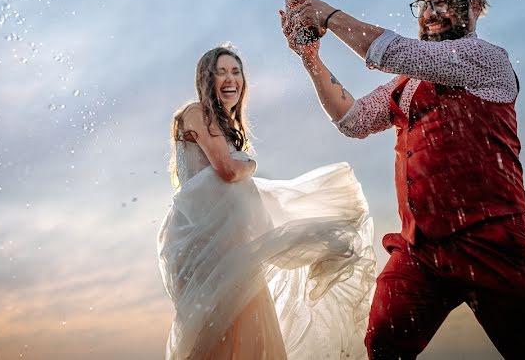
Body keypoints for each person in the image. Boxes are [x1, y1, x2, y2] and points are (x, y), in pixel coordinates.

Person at [281, 0, 525, 360]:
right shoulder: (409, 82)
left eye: (442, 3)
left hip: (491, 244)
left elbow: (393, 51)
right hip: (421, 248)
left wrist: (328, 16)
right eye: (422, 4)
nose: (430, 15)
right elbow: (353, 120)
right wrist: (310, 58)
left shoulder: (488, 59)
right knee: (384, 344)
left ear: (474, 6)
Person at [157, 44, 377, 360]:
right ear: (206, 78)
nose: (230, 79)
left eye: (236, 72)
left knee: (249, 333)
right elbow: (229, 170)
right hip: (207, 247)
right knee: (215, 333)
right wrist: (250, 163)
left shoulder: (225, 128)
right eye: (221, 72)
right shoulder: (196, 112)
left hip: (234, 246)